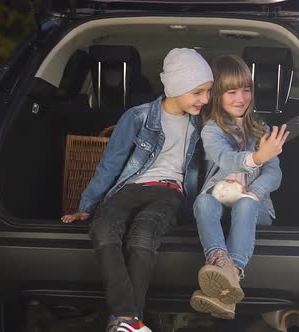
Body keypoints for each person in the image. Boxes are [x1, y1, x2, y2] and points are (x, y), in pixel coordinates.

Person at [61, 48, 213, 332]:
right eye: (198, 92)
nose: (205, 99)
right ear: (177, 87)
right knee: (104, 227)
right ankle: (130, 319)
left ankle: (123, 320)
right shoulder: (138, 117)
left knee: (143, 233)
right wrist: (86, 206)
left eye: (208, 92)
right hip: (130, 188)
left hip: (169, 192)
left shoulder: (201, 122)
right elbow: (110, 164)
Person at [189, 54, 288, 319]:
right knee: (203, 201)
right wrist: (256, 157)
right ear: (217, 96)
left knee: (245, 203)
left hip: (256, 210)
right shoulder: (212, 130)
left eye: (246, 90)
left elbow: (274, 173)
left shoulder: (261, 129)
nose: (241, 98)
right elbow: (226, 158)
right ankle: (221, 263)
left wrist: (254, 192)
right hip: (221, 202)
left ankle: (231, 272)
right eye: (231, 92)